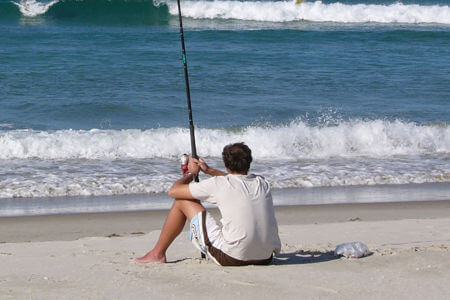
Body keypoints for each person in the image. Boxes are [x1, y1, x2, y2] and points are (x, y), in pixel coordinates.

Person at [135, 142, 281, 266]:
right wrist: (209, 171)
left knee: (182, 201)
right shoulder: (262, 182)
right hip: (265, 257)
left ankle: (157, 254)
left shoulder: (220, 184)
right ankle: (157, 253)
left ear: (225, 164)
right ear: (249, 162)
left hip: (233, 258)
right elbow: (237, 180)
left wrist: (191, 174)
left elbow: (174, 191)